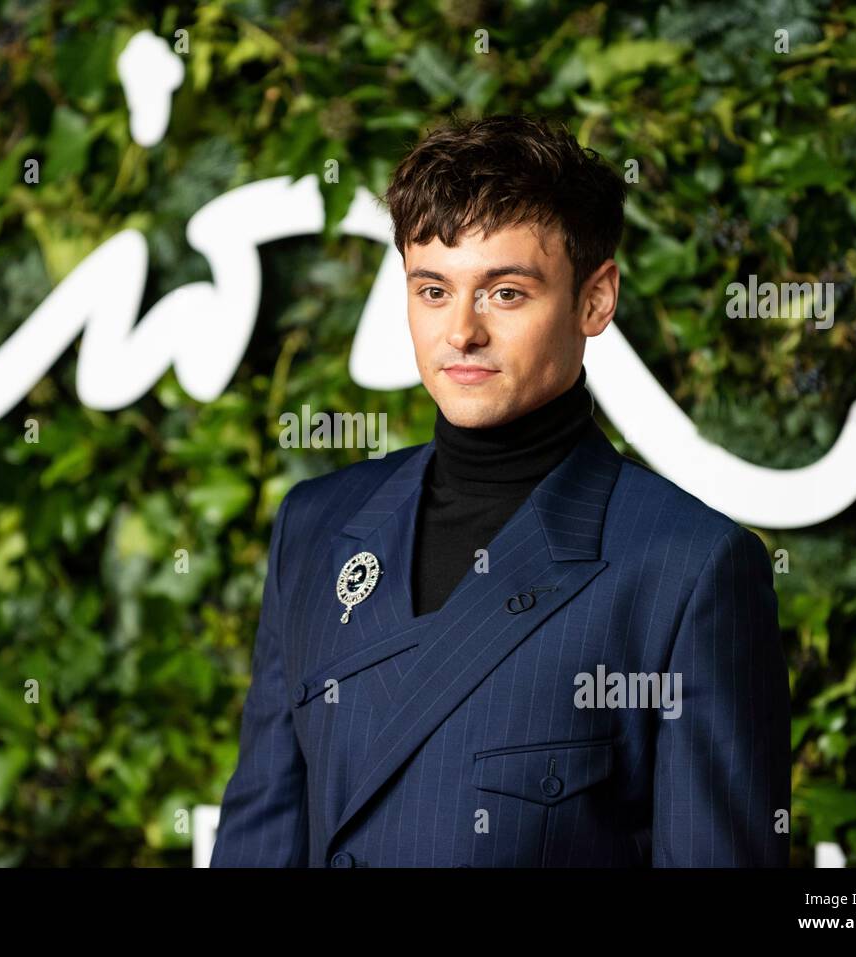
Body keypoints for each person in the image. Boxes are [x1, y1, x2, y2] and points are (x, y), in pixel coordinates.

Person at [210, 113, 791, 867]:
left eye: (505, 292)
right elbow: (260, 840)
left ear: (595, 299)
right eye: (432, 290)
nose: (461, 332)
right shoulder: (316, 529)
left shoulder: (687, 570)